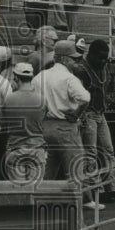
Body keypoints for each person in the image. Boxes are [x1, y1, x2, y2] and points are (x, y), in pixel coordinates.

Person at [72, 38, 115, 203]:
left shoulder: (104, 67)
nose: (103, 61)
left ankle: (114, 187)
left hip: (100, 112)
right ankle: (96, 190)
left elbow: (108, 87)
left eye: (105, 57)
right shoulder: (81, 69)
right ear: (91, 55)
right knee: (91, 153)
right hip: (88, 113)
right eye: (100, 58)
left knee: (108, 149)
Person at [32, 40, 92, 195]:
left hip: (45, 126)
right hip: (65, 125)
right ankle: (82, 202)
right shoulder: (69, 78)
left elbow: (33, 101)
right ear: (64, 59)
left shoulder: (39, 77)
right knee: (75, 167)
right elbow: (85, 98)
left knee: (49, 167)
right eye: (74, 59)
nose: (77, 62)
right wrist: (77, 114)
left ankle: (40, 200)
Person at [1, 62, 48, 184]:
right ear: (31, 77)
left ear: (16, 77)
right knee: (35, 192)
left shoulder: (9, 99)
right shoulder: (41, 100)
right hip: (36, 149)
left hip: (15, 149)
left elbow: (3, 125)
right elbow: (44, 123)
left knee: (18, 194)